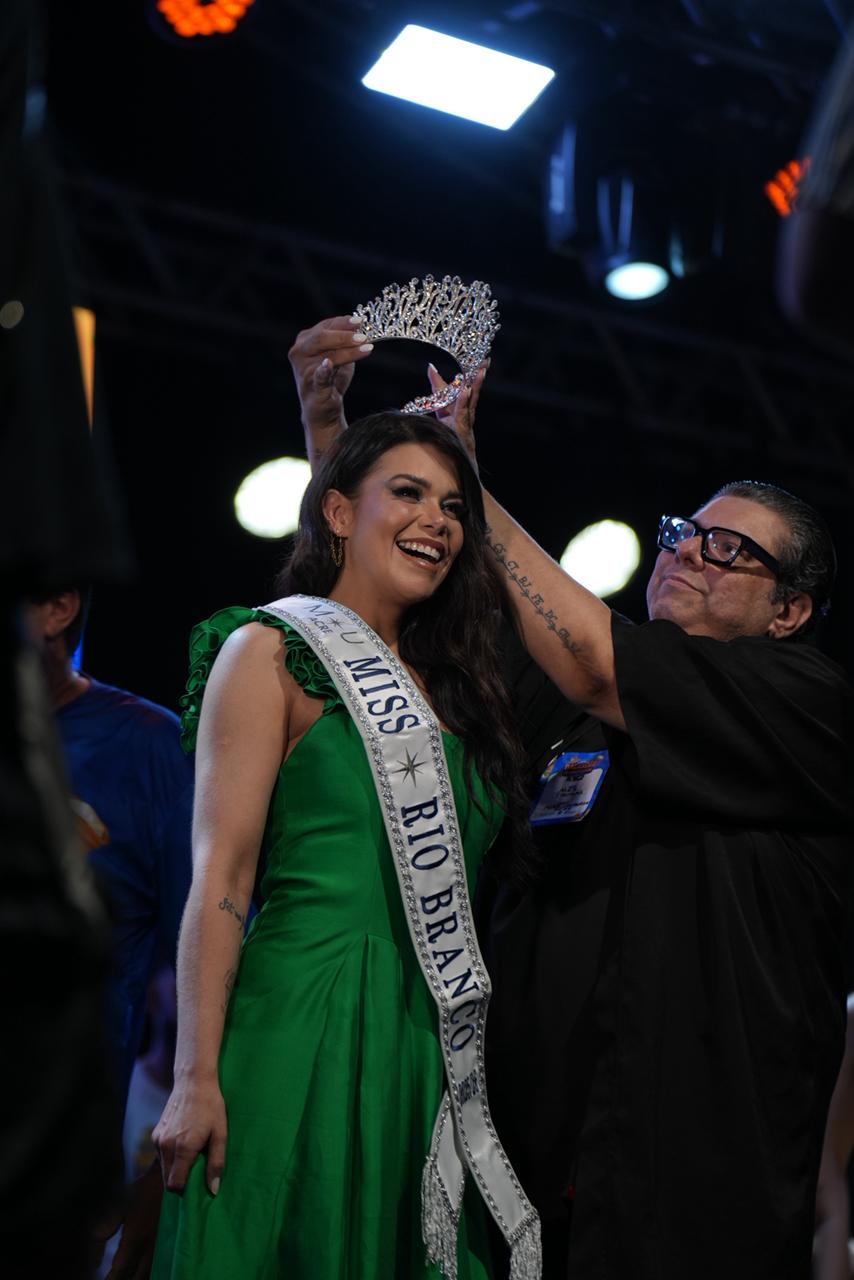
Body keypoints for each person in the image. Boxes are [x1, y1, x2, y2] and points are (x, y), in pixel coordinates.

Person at [290, 317, 854, 1280]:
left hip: (696, 1192)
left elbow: (596, 659)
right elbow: (414, 605)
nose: (687, 554)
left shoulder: (808, 705)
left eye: (727, 550)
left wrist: (472, 477)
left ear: (788, 611)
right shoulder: (577, 712)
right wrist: (332, 438)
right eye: (683, 533)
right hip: (531, 1173)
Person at [150, 411, 541, 1279]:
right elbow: (222, 876)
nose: (435, 521)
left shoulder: (467, 692)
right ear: (336, 512)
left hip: (424, 1043)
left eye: (452, 506)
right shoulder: (269, 650)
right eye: (406, 493)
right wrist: (194, 1074)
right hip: (299, 1017)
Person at [28, 586, 194, 1279]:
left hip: (50, 1182)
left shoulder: (150, 749)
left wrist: (158, 1177)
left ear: (57, 607)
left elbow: (215, 973)